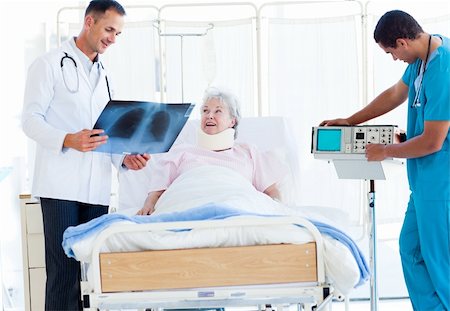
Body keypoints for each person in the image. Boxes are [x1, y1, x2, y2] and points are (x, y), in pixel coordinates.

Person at [22, 1, 150, 310]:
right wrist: (67, 139)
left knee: (93, 273)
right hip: (60, 186)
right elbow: (29, 120)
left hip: (96, 189)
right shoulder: (49, 64)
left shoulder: (105, 75)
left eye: (118, 34)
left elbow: (105, 133)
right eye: (109, 30)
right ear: (89, 21)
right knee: (63, 272)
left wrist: (124, 159)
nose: (112, 39)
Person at [321, 10, 449, 311]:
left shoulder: (443, 68)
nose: (394, 59)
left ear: (402, 42)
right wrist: (350, 120)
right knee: (410, 248)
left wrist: (385, 151)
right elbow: (394, 95)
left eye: (391, 52)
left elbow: (433, 141)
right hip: (423, 182)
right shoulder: (421, 61)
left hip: (441, 181)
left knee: (440, 260)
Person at [137, 87, 286, 216]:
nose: (209, 115)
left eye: (218, 111)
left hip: (236, 206)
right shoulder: (181, 152)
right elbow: (157, 192)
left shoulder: (248, 152)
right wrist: (148, 205)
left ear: (232, 121)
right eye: (205, 111)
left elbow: (272, 193)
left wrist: (279, 212)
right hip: (188, 204)